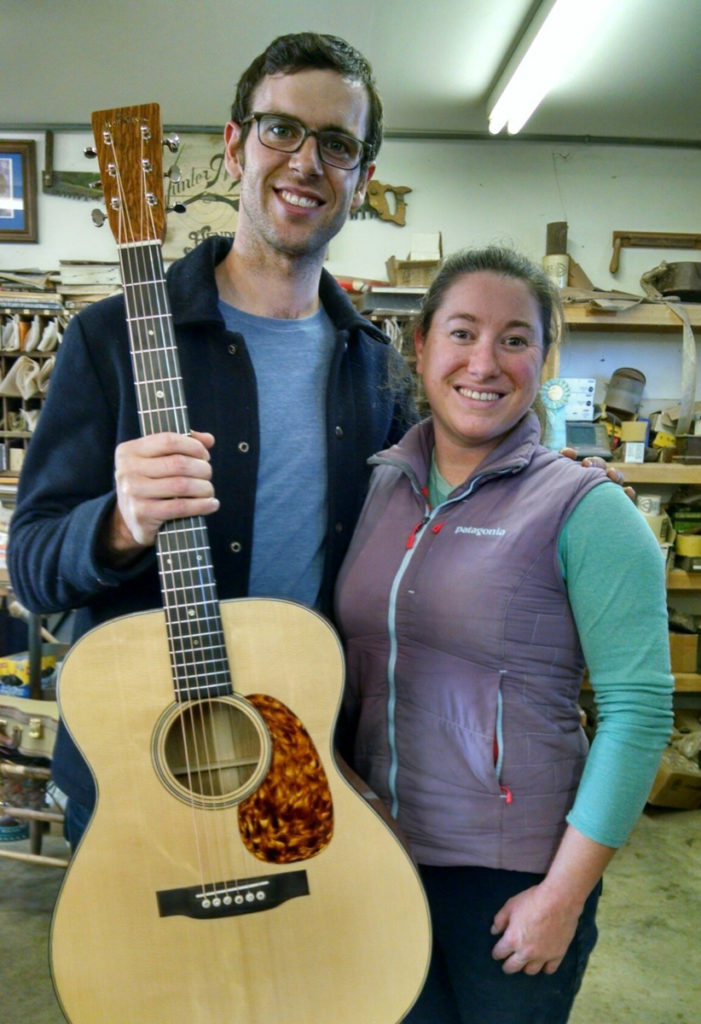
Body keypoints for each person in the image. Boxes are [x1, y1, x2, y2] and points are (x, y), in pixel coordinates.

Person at [7, 32, 417, 847]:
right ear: (235, 147)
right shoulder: (111, 338)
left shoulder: (377, 370)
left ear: (361, 179)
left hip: (299, 766)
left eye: (336, 144)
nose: (305, 161)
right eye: (280, 129)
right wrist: (119, 525)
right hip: (140, 771)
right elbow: (32, 569)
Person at [333, 246, 673, 1024]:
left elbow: (638, 714)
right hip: (372, 852)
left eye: (514, 339)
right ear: (420, 346)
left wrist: (562, 894)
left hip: (508, 877)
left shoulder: (586, 508)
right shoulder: (380, 484)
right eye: (461, 332)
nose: (483, 362)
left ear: (542, 357)